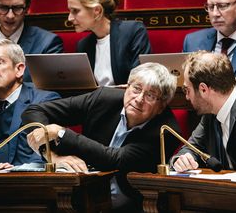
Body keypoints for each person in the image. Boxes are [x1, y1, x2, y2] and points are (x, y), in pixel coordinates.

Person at [22, 62, 180, 212]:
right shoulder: (103, 99)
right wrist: (51, 156)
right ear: (126, 87)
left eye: (151, 96)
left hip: (129, 205)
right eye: (136, 88)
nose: (139, 99)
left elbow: (115, 159)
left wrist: (61, 133)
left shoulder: (166, 131)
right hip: (79, 191)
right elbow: (34, 111)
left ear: (161, 106)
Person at [0, 39, 61, 168]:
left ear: (19, 69)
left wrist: (14, 170)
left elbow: (50, 155)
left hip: (29, 183)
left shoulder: (44, 102)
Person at [67, 0, 151, 86]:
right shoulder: (83, 45)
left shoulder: (133, 32)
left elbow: (139, 85)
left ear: (97, 10)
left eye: (75, 11)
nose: (70, 18)